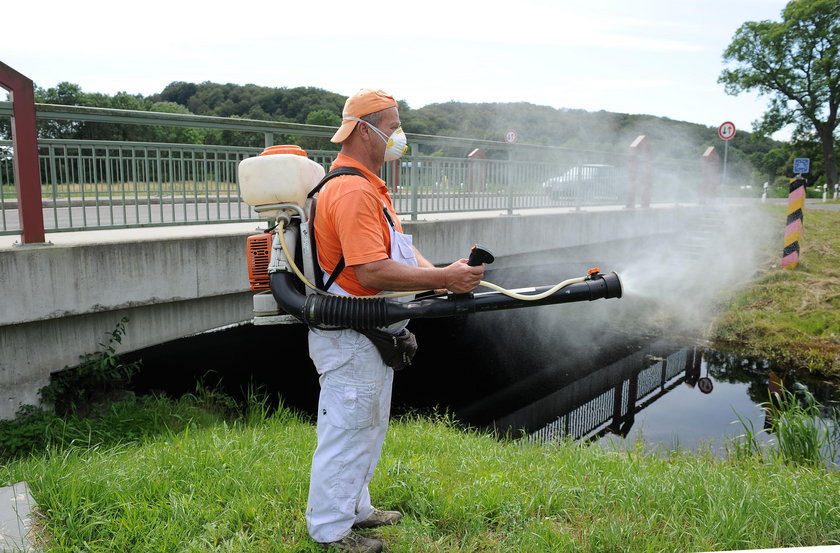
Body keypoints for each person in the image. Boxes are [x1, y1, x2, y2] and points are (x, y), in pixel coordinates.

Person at [306, 88, 485, 552]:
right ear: (364, 130)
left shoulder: (370, 187)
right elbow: (370, 270)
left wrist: (444, 276)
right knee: (346, 431)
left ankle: (356, 508)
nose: (398, 136)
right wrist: (442, 277)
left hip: (370, 335)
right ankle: (329, 531)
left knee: (367, 425)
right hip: (350, 334)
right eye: (392, 126)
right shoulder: (350, 190)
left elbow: (396, 256)